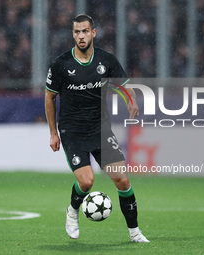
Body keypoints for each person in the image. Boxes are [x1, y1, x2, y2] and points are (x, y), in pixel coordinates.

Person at [45, 14, 149, 243]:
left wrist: (131, 101)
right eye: (76, 32)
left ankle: (135, 232)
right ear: (73, 35)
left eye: (84, 31)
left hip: (100, 129)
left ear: (93, 33)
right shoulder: (60, 64)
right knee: (86, 181)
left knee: (122, 179)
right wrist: (53, 133)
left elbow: (123, 86)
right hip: (72, 131)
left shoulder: (106, 60)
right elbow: (50, 97)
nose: (80, 36)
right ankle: (72, 211)